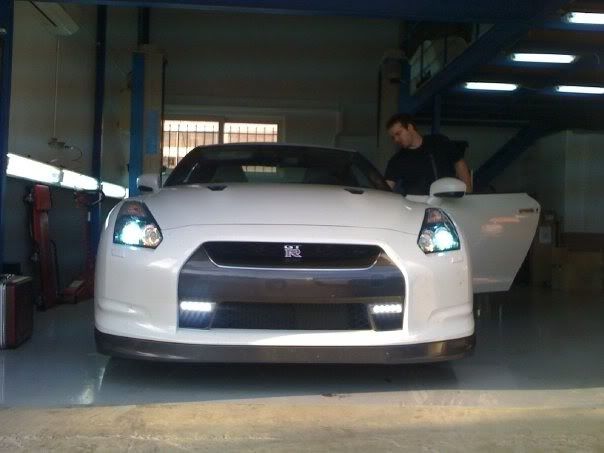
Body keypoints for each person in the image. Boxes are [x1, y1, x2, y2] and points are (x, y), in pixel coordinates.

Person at [384, 113, 472, 195]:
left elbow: (459, 163)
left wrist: (467, 193)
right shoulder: (396, 160)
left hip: (448, 200)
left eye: (398, 134)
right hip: (416, 204)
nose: (396, 140)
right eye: (393, 137)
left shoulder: (439, 142)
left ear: (410, 127)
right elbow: (386, 188)